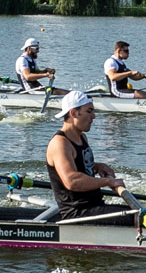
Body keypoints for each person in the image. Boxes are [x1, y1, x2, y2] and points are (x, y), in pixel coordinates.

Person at [43, 90, 130, 224]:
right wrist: (108, 182)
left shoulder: (82, 137)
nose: (93, 116)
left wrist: (97, 166)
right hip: (78, 214)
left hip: (94, 206)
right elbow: (72, 181)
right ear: (73, 113)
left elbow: (80, 166)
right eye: (89, 111)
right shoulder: (60, 144)